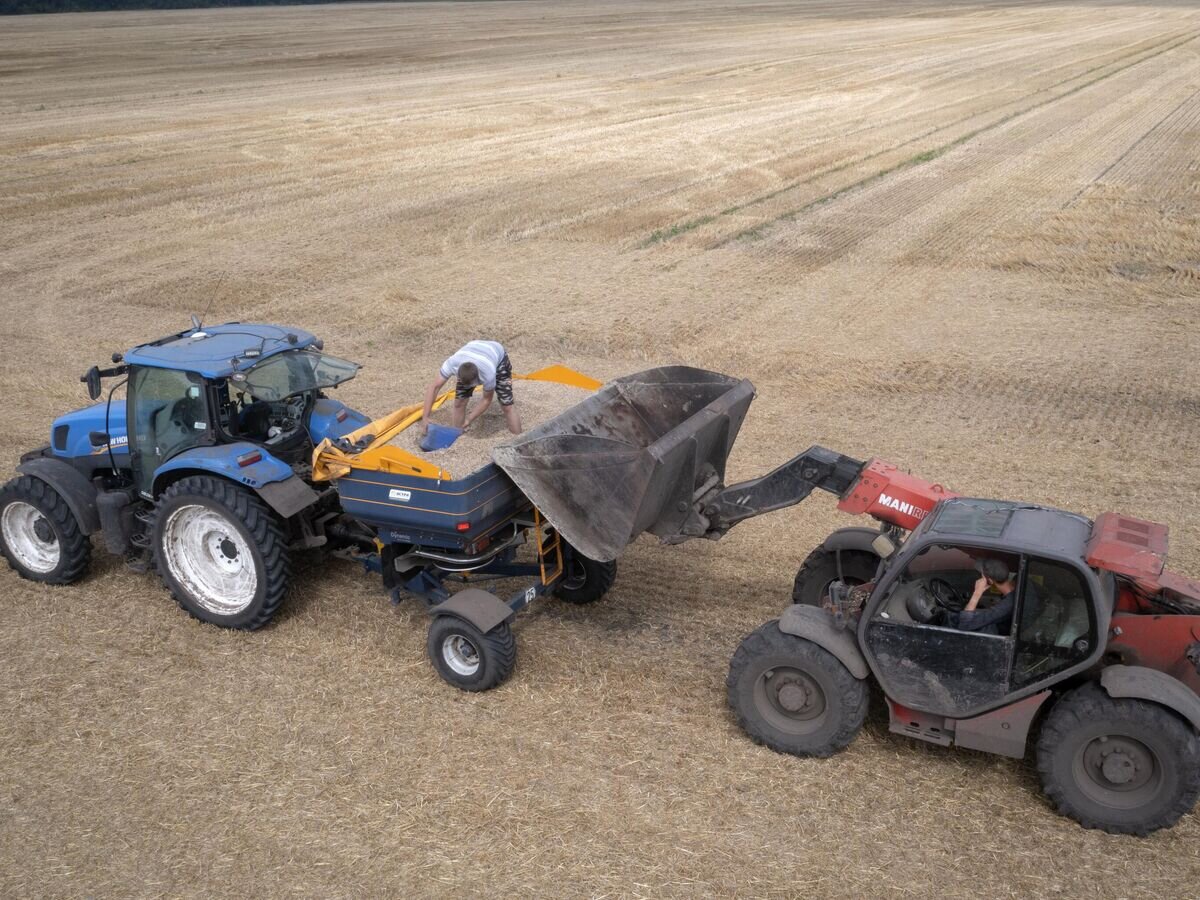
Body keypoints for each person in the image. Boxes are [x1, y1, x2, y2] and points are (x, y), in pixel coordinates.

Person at [421, 340, 522, 436]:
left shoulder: (488, 374)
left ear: (478, 379)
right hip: (473, 349)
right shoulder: (452, 364)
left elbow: (486, 399)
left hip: (498, 356)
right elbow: (434, 387)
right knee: (459, 403)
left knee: (507, 405)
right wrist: (425, 417)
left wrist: (469, 419)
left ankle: (518, 439)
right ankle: (457, 436)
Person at [954, 558, 1025, 635]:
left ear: (990, 580)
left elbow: (964, 625)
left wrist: (977, 592)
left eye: (982, 574)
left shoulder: (1005, 607)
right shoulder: (1018, 584)